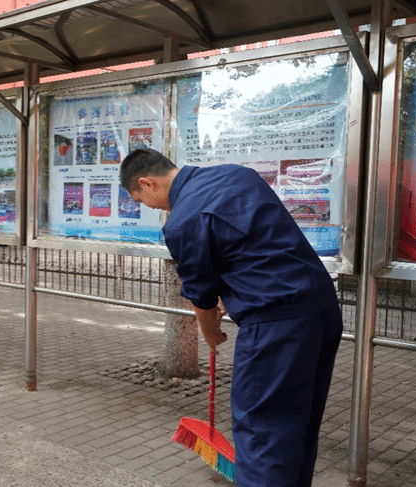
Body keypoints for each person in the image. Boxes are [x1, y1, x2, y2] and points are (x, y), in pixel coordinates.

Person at [119, 148, 342, 487]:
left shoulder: (182, 219)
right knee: (297, 425)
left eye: (141, 199)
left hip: (275, 325)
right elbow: (255, 244)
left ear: (147, 183)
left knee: (262, 431)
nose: (150, 207)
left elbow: (200, 295)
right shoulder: (237, 174)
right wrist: (233, 288)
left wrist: (211, 334)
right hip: (321, 308)